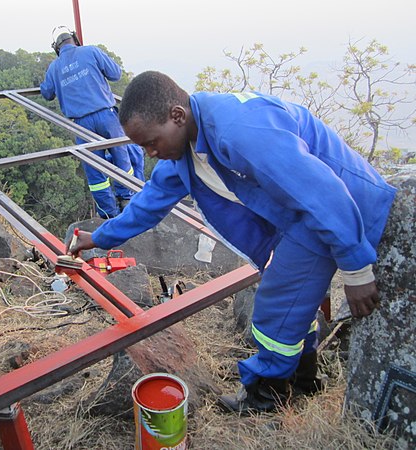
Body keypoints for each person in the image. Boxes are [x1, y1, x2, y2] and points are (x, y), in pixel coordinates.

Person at [68, 70, 396, 414]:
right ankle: (305, 379)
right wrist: (98, 238)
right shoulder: (185, 152)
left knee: (274, 311)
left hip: (339, 211)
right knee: (293, 304)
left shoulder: (240, 131)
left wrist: (356, 269)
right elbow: (147, 205)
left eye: (151, 142)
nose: (149, 153)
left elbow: (322, 193)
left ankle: (265, 396)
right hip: (303, 216)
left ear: (177, 116)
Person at [40, 30, 144, 217]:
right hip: (107, 116)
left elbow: (47, 93)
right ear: (75, 40)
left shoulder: (54, 67)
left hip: (81, 123)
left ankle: (108, 213)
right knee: (122, 158)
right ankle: (127, 199)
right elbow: (115, 74)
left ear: (57, 48)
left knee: (95, 170)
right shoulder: (91, 52)